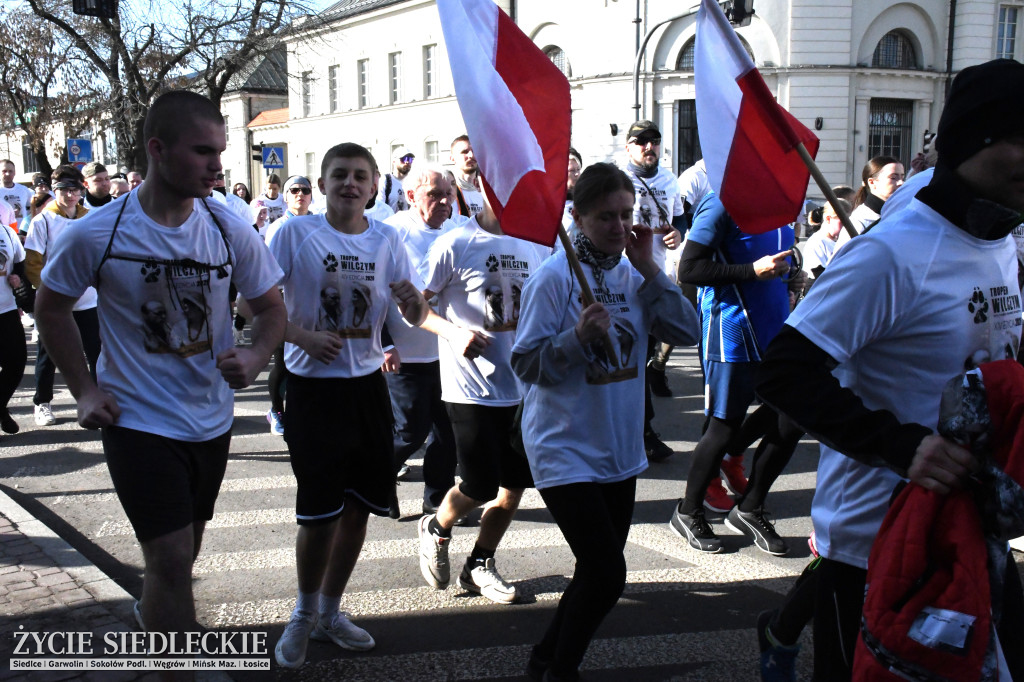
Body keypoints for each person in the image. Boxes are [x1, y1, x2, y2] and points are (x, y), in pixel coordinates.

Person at [756, 58, 1024, 681]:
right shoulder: (893, 253)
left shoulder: (1003, 242)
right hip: (876, 548)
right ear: (976, 141)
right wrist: (901, 446)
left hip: (971, 534)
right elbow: (784, 373)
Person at [34, 90, 285, 657]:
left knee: (182, 554)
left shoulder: (228, 227)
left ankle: (154, 612)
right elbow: (51, 308)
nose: (218, 165)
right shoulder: (96, 233)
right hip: (138, 421)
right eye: (203, 152)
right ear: (158, 149)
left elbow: (271, 308)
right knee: (172, 563)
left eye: (220, 151)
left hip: (211, 422)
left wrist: (254, 355)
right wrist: (84, 389)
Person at [512, 162, 699, 681]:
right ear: (577, 216)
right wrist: (576, 340)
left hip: (618, 448)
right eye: (605, 217)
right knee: (608, 572)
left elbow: (686, 332)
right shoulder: (553, 277)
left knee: (594, 572)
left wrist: (652, 270)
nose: (618, 227)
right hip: (563, 446)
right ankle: (560, 671)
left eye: (626, 215)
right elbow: (525, 365)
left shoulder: (634, 275)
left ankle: (545, 658)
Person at [268, 142, 428, 669]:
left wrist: (414, 305)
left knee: (359, 506)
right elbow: (255, 304)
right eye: (340, 175)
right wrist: (302, 337)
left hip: (367, 388)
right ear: (322, 183)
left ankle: (332, 612)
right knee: (318, 513)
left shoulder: (387, 239)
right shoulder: (294, 233)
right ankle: (302, 612)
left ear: (375, 183)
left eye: (360, 175)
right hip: (313, 388)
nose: (350, 184)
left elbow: (412, 309)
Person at [416, 187, 548, 606]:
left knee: (512, 489)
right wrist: (454, 333)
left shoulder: (536, 245)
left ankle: (479, 563)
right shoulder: (456, 243)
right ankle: (437, 527)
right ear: (486, 192)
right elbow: (414, 307)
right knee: (478, 484)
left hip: (523, 387)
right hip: (469, 387)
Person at [669, 193, 798, 554]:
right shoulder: (721, 203)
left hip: (774, 327)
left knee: (790, 416)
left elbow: (774, 261)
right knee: (723, 426)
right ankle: (688, 509)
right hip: (731, 331)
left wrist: (790, 274)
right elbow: (689, 270)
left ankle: (751, 507)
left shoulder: (782, 203)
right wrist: (751, 271)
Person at [383, 166, 459, 515]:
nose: (444, 202)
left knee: (447, 433)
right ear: (412, 196)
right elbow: (375, 294)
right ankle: (379, 479)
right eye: (435, 195)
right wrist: (384, 343)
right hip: (406, 354)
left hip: (448, 350)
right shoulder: (392, 233)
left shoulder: (459, 231)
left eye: (449, 194)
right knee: (411, 432)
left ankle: (437, 501)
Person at [620, 120, 684, 460]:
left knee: (642, 354)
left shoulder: (670, 180)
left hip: (655, 275)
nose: (649, 148)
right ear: (627, 147)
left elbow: (680, 218)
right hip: (621, 277)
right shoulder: (617, 178)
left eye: (654, 142)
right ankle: (639, 430)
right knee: (629, 355)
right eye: (640, 142)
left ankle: (641, 430)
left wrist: (678, 233)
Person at [24, 166, 98, 427]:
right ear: (55, 192)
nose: (69, 195)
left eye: (74, 190)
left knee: (96, 352)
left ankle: (95, 398)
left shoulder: (90, 217)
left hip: (88, 300)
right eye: (64, 190)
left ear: (81, 191)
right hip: (56, 304)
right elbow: (32, 261)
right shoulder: (42, 221)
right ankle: (42, 403)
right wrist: (47, 292)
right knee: (49, 354)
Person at [260, 175, 315, 434]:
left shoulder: (319, 223)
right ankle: (275, 409)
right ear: (285, 196)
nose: (300, 194)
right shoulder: (279, 227)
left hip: (312, 301)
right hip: (283, 300)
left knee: (308, 360)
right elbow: (269, 271)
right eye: (294, 190)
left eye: (305, 190)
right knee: (282, 362)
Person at [0, 219, 27, 435]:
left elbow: (19, 264)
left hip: (6, 309)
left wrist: (18, 279)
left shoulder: (7, 232)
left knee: (16, 364)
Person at [843, 155, 904, 238]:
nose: (901, 182)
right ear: (872, 182)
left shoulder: (901, 215)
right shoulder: (860, 222)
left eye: (902, 177)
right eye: (893, 178)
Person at [450, 135, 483, 217]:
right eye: (464, 152)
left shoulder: (488, 191)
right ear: (452, 158)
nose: (471, 155)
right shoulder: (447, 192)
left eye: (474, 151)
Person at [378, 146, 414, 213]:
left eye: (410, 159)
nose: (407, 162)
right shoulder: (385, 180)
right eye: (403, 159)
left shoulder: (413, 182)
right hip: (389, 222)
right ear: (394, 161)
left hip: (407, 222)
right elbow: (380, 207)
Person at [1, 159, 33, 225]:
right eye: (4, 171)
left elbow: (33, 207)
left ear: (15, 173)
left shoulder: (23, 190)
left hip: (21, 232)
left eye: (10, 171)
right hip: (4, 232)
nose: (7, 174)